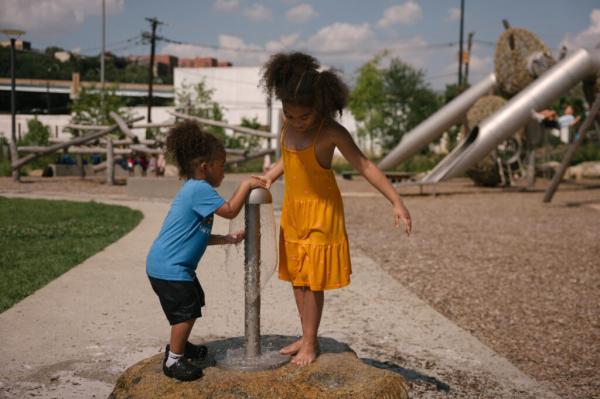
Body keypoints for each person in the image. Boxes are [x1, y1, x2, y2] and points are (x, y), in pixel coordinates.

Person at [255, 52, 412, 366]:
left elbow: (365, 166)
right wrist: (271, 175)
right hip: (293, 213)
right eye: (290, 115)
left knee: (313, 281)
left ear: (322, 106)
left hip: (322, 215)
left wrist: (396, 201)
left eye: (305, 116)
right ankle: (305, 334)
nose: (298, 121)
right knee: (298, 279)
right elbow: (289, 158)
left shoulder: (331, 133)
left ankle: (311, 342)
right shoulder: (287, 129)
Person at [146, 121, 265, 381]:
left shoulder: (195, 190)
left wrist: (226, 238)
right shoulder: (200, 189)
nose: (224, 172)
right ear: (204, 167)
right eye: (222, 166)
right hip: (170, 268)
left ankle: (181, 345)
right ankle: (173, 360)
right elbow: (231, 210)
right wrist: (245, 185)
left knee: (194, 301)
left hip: (169, 265)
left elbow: (194, 235)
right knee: (186, 311)